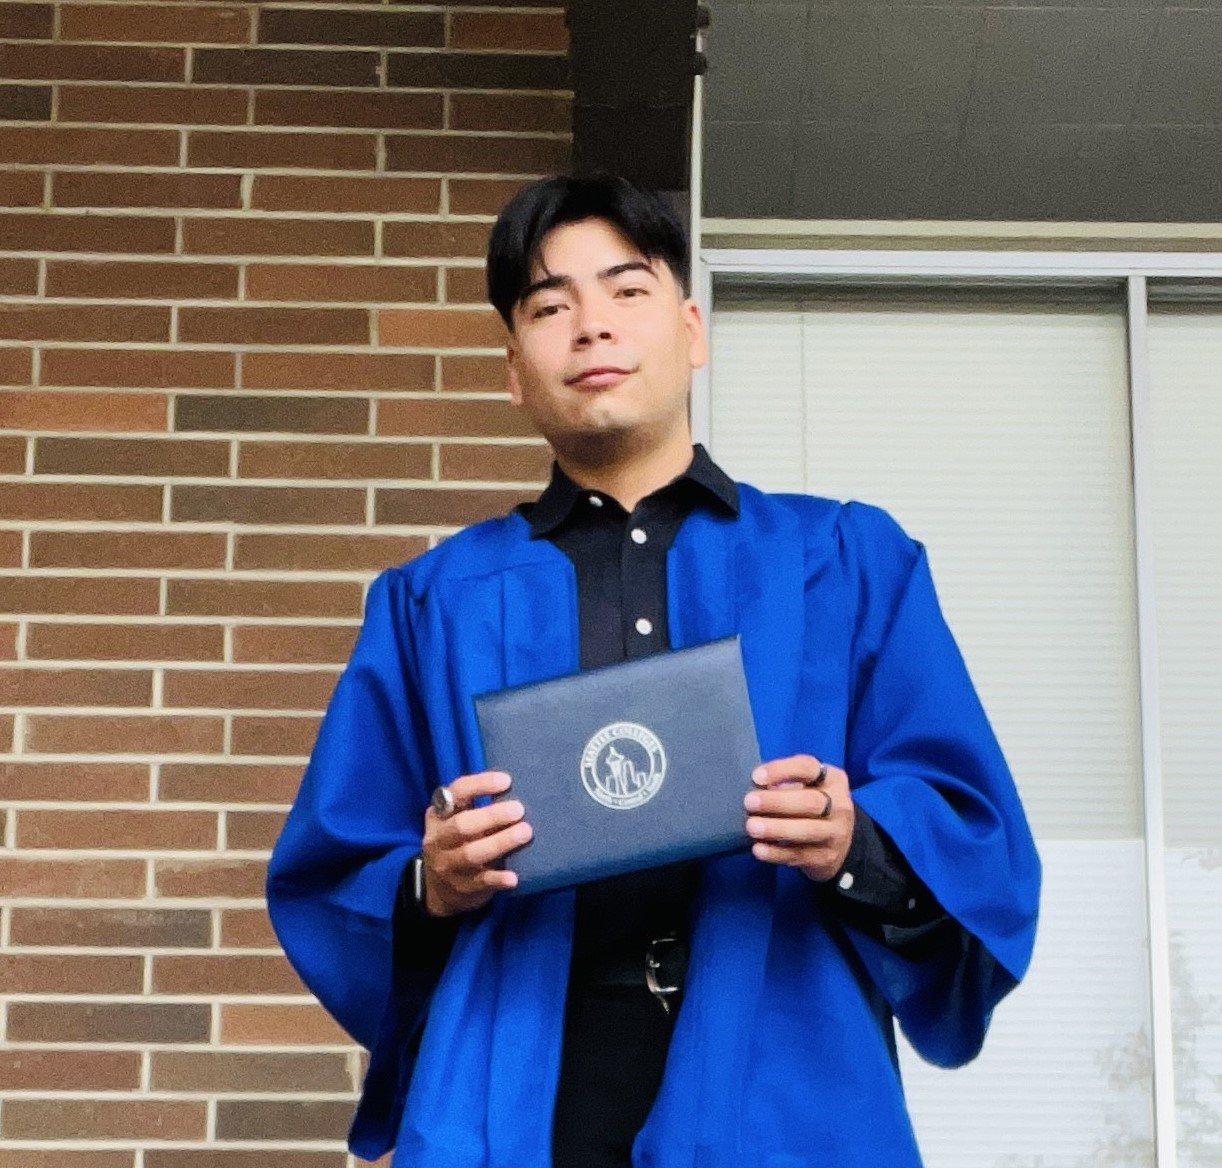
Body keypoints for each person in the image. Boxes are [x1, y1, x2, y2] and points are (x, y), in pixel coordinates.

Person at [266, 175, 1041, 1168]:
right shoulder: (433, 601)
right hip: (517, 1107)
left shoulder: (845, 563)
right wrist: (433, 878)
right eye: (550, 306)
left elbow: (970, 821)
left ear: (690, 328)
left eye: (625, 292)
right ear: (513, 368)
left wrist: (855, 837)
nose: (591, 327)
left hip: (783, 1094)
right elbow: (333, 869)